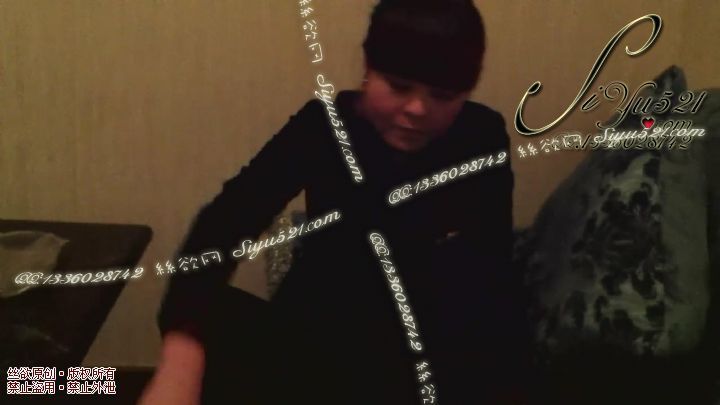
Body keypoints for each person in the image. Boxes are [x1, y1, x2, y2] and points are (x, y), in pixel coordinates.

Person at [139, 0, 530, 404]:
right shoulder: (324, 125)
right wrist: (181, 358)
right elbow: (226, 220)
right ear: (368, 68)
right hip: (314, 331)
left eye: (443, 96)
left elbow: (488, 264)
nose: (417, 109)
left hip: (421, 341)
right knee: (197, 312)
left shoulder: (479, 135)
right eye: (398, 86)